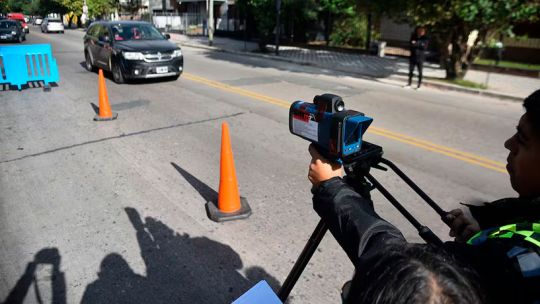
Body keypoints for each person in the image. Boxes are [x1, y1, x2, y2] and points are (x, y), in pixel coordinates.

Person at [307, 89, 540, 303]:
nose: (509, 144)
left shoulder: (517, 261)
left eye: (521, 139)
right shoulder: (521, 233)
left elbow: (401, 271)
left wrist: (331, 187)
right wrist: (484, 237)